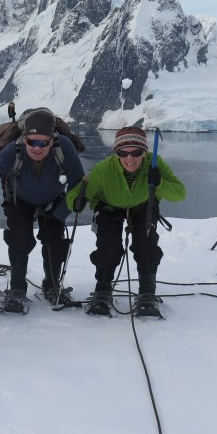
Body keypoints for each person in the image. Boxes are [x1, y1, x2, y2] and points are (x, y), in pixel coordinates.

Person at [66, 127, 186, 317]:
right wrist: (76, 202)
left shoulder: (155, 164)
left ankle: (147, 294)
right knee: (108, 248)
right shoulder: (104, 169)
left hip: (143, 204)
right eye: (123, 152)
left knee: (146, 246)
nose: (129, 159)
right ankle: (102, 291)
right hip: (109, 206)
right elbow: (80, 192)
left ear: (144, 152)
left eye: (136, 152)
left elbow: (180, 193)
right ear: (116, 153)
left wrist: (160, 183)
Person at [0, 109, 85, 313]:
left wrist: (60, 214)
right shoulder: (14, 148)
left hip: (53, 200)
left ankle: (51, 286)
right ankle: (17, 289)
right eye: (32, 142)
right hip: (19, 200)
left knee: (54, 240)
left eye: (43, 142)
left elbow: (78, 183)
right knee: (19, 240)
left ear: (52, 140)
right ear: (24, 139)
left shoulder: (65, 147)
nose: (37, 147)